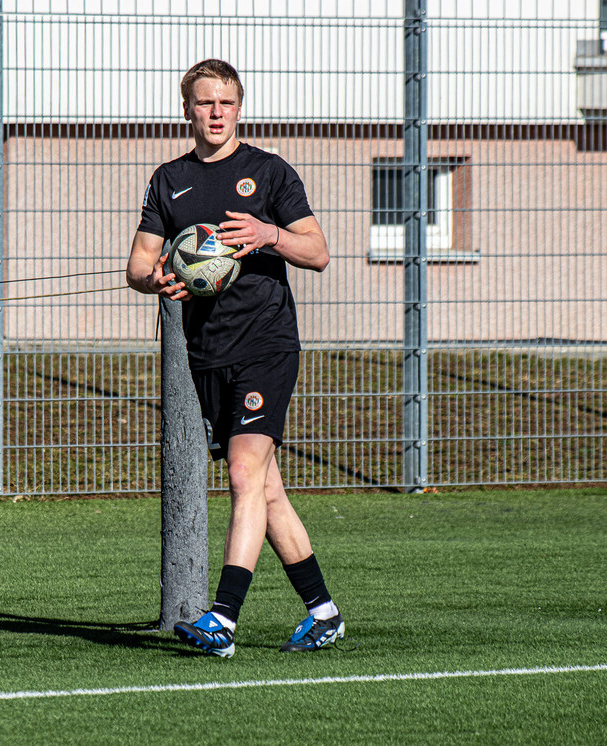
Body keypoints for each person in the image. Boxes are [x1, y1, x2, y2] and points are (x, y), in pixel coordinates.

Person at [126, 59, 342, 657]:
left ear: (239, 107)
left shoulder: (268, 173)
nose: (215, 113)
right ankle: (323, 612)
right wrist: (161, 280)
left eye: (225, 102)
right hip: (207, 352)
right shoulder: (169, 180)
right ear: (187, 110)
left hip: (267, 343)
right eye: (203, 102)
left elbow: (319, 253)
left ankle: (221, 619)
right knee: (265, 489)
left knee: (244, 473)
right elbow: (138, 266)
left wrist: (269, 234)